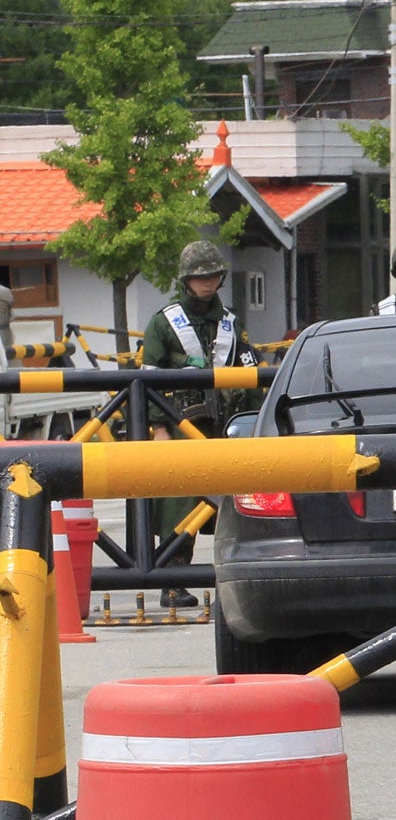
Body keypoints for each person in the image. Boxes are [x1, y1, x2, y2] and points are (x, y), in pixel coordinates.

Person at [140, 240, 256, 609]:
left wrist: (255, 423)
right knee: (180, 504)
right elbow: (148, 379)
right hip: (178, 425)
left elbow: (250, 374)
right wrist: (158, 429)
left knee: (234, 503)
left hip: (224, 425)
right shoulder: (163, 322)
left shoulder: (232, 323)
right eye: (199, 276)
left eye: (212, 275)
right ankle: (173, 582)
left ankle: (237, 580)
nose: (206, 282)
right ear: (187, 280)